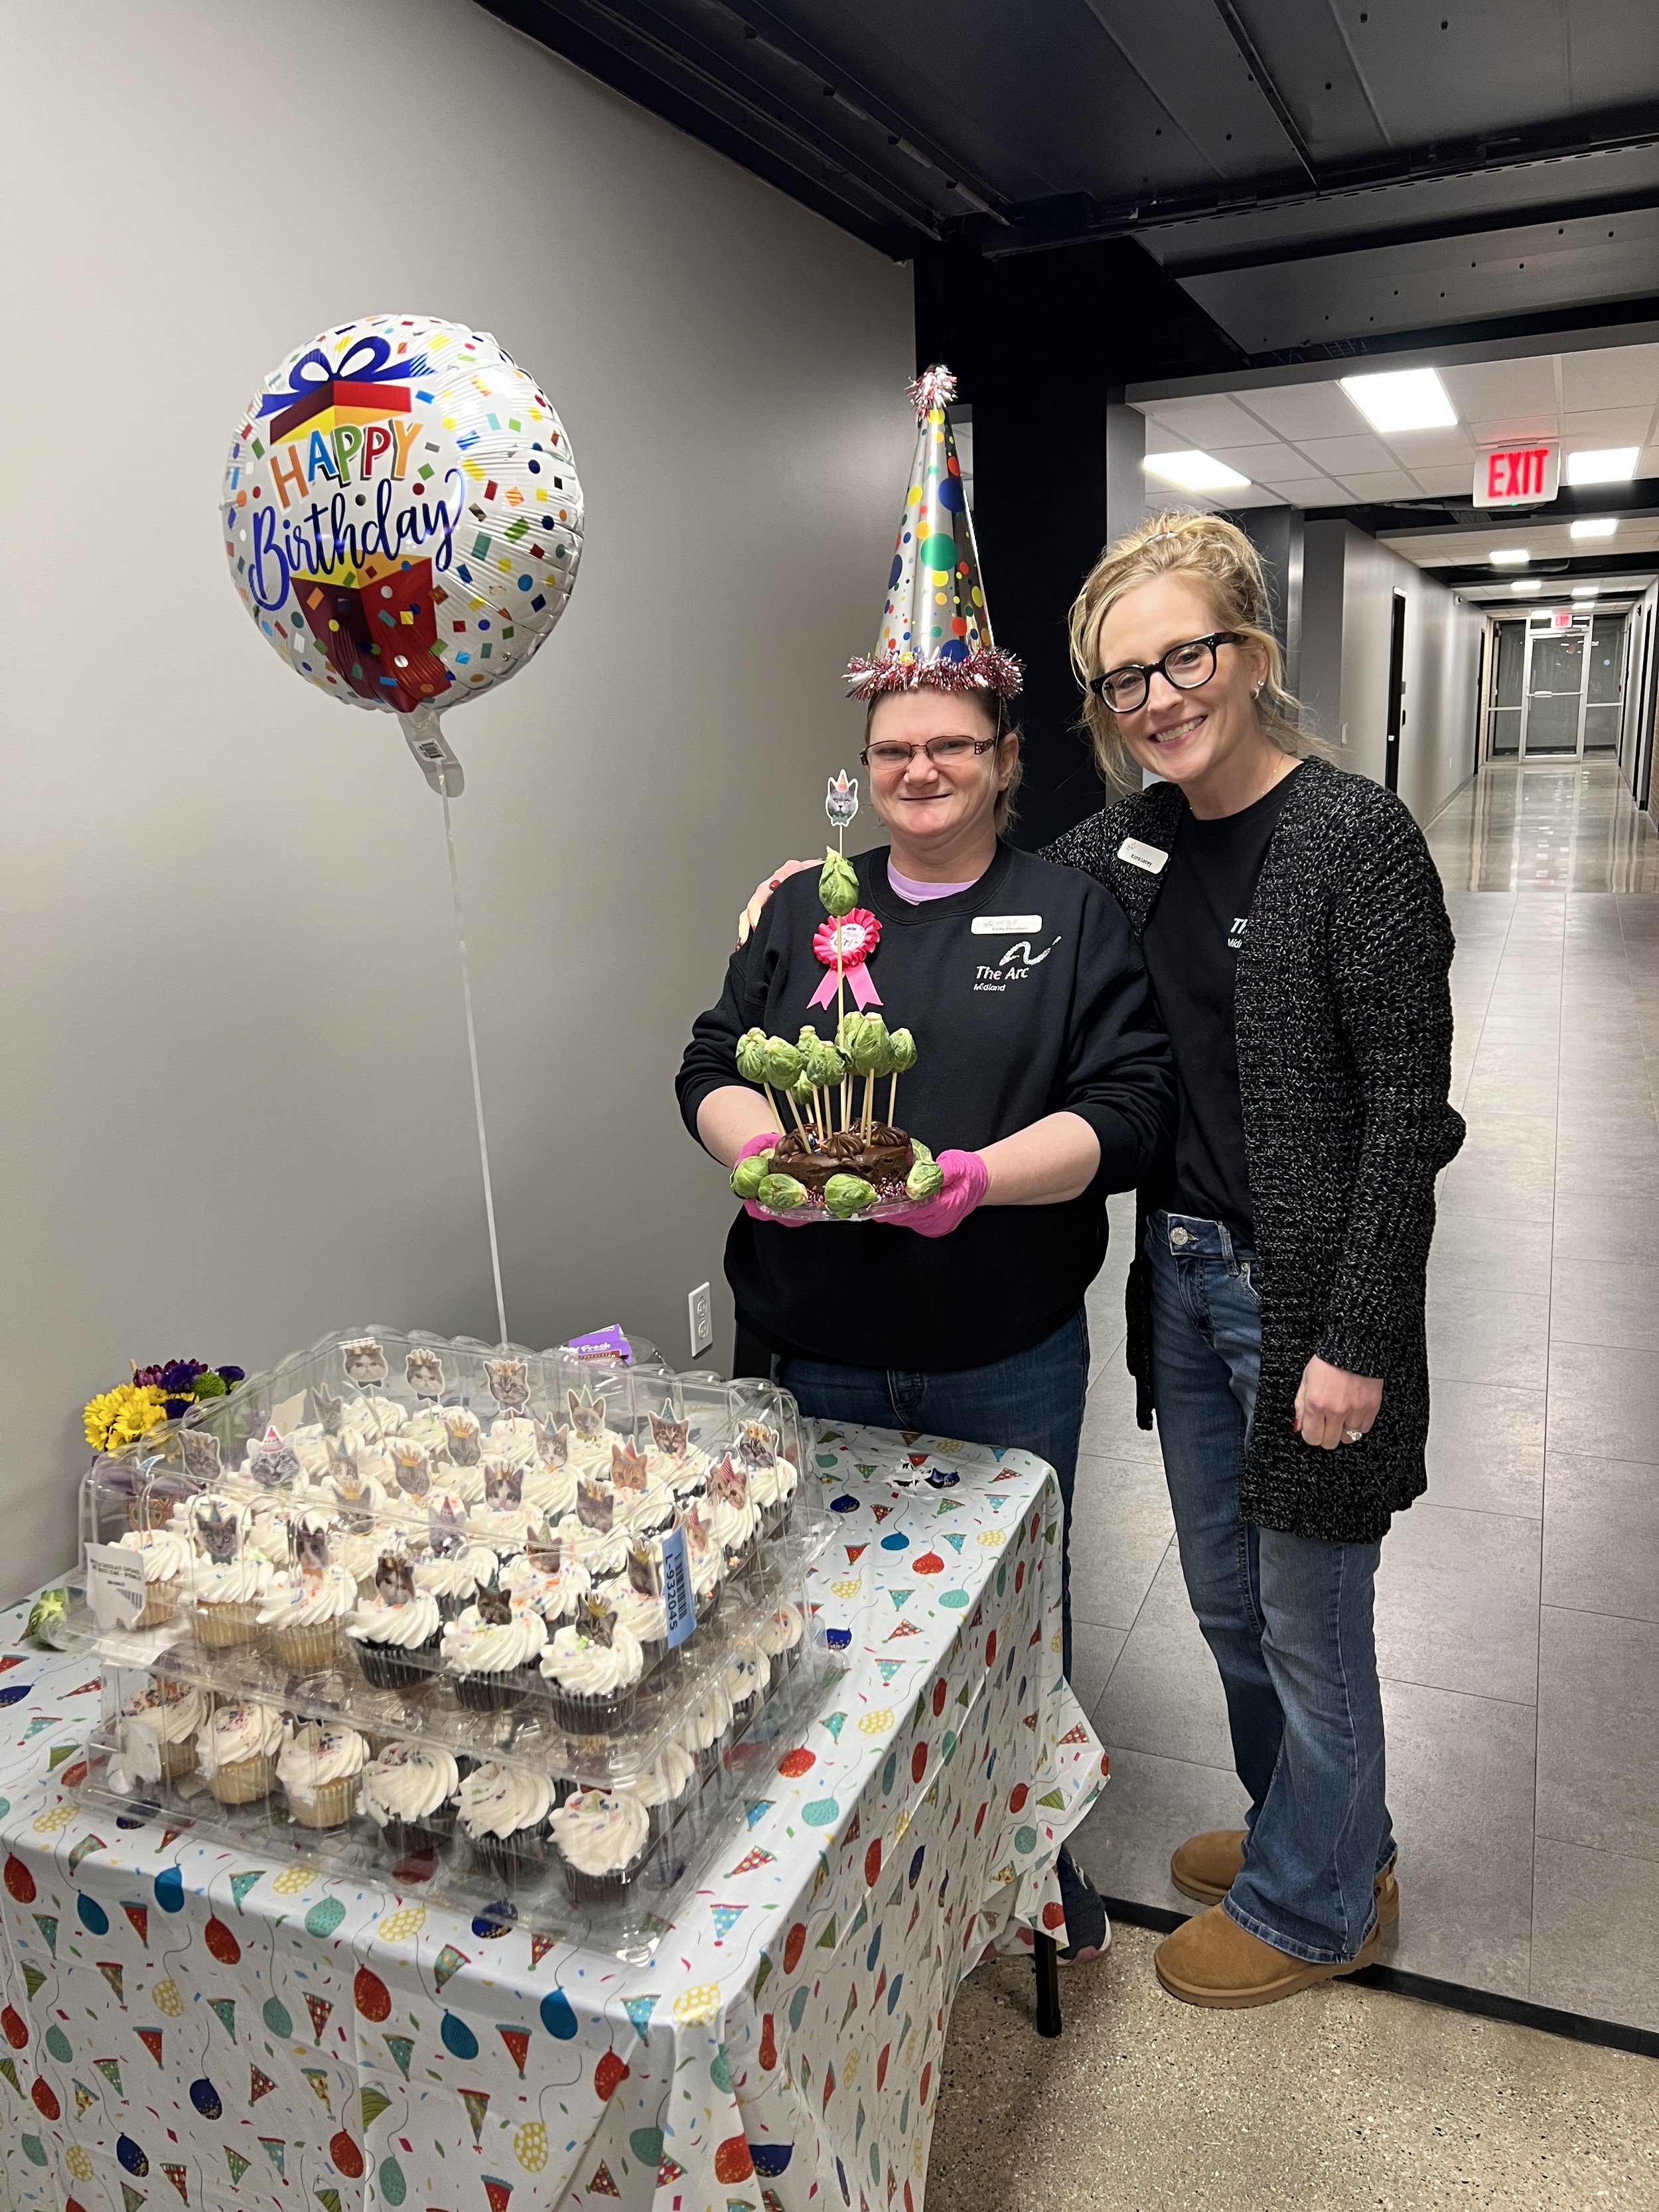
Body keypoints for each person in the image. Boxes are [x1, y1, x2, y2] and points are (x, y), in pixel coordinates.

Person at [678, 368, 1173, 1964]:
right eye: (894, 746)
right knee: (818, 1619)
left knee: (1015, 1615)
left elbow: (1128, 1109)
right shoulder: (800, 907)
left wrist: (972, 1178)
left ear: (1000, 754)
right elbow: (708, 1063)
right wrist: (757, 1148)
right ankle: (854, 1880)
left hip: (996, 1351)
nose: (919, 768)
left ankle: (1032, 1861)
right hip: (809, 1342)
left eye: (950, 744)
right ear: (865, 756)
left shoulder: (1069, 910)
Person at [1034, 508, 1465, 2008]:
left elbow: (1407, 1115)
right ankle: (1322, 1832)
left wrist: (1355, 1339)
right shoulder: (1137, 842)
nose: (1157, 698)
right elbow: (1005, 894)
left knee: (1308, 1617)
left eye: (1185, 657)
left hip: (1308, 1292)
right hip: (1182, 1277)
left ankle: (1316, 1903)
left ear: (1251, 650)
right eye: (1124, 679)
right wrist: (831, 894)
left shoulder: (1356, 839)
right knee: (1227, 1602)